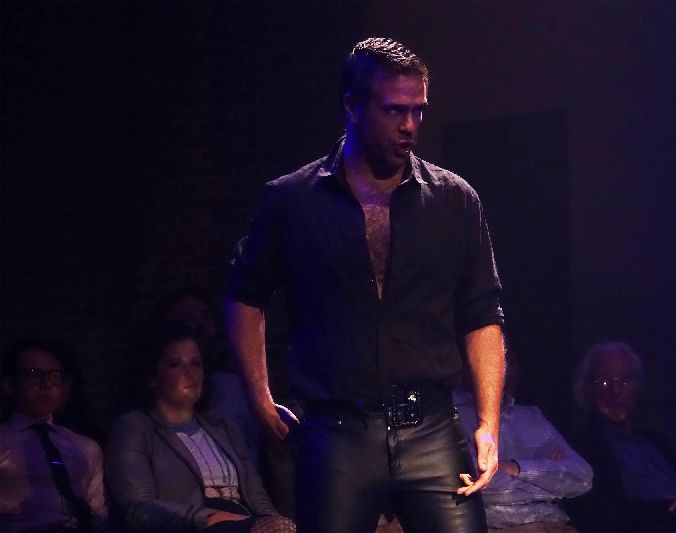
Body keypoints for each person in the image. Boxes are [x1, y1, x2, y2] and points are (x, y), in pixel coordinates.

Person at [226, 37, 505, 532]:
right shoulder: (293, 201)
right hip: (336, 432)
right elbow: (245, 296)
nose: (410, 125)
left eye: (419, 110)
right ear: (352, 106)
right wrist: (259, 399)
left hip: (431, 428)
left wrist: (488, 423)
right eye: (394, 110)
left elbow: (482, 313)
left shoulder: (454, 200)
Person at [105, 323, 294, 532]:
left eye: (196, 364)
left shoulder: (225, 429)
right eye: (175, 364)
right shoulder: (135, 427)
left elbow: (256, 494)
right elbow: (138, 505)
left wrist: (272, 522)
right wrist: (208, 517)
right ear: (152, 377)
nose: (190, 373)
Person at [565, 341, 676, 533]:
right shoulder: (582, 448)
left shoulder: (655, 440)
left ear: (638, 386)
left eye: (625, 380)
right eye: (604, 382)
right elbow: (605, 515)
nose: (616, 391)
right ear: (588, 390)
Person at [453, 348, 592, 532]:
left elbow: (583, 477)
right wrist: (552, 486)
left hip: (557, 527)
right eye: (495, 359)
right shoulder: (454, 416)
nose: (504, 368)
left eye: (509, 359)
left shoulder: (532, 416)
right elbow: (475, 485)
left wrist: (515, 467)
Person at [0, 339, 109, 532]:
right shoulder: (4, 442)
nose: (47, 384)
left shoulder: (85, 447)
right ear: (9, 385)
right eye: (34, 375)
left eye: (55, 376)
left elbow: (97, 513)